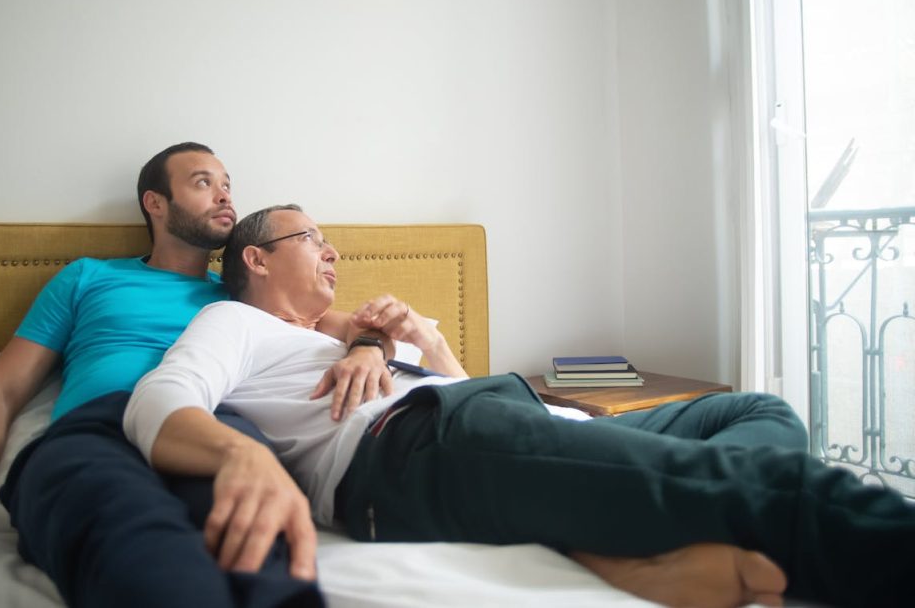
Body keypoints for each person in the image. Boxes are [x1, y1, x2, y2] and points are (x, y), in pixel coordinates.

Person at [124, 204, 915, 608]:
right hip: (421, 448)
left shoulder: (358, 332)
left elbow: (465, 382)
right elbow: (157, 401)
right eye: (312, 237)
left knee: (758, 413)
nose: (333, 252)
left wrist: (411, 343)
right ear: (255, 258)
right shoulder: (233, 322)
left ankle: (619, 548)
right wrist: (242, 455)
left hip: (501, 417)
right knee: (767, 493)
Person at [0, 145, 395, 608]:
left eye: (227, 184)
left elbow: (358, 327)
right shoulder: (89, 278)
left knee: (262, 547)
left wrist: (368, 349)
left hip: (210, 430)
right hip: (96, 430)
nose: (224, 195)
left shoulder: (249, 291)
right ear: (155, 203)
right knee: (133, 547)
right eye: (203, 183)